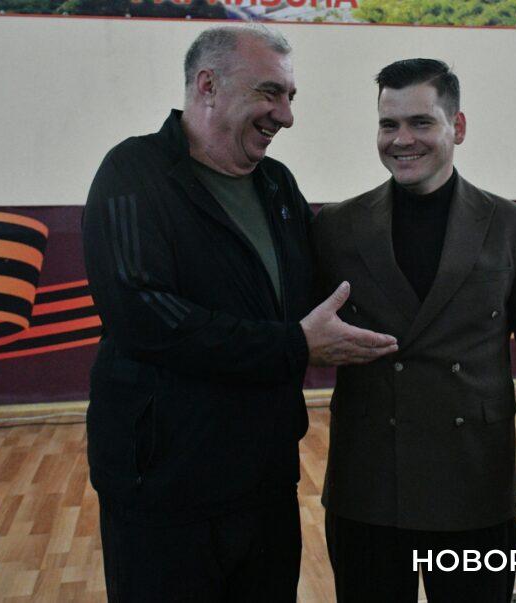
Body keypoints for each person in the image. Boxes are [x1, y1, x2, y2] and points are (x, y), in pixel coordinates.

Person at [81, 24, 397, 601]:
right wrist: (294, 346)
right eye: (270, 93)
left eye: (290, 96)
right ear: (207, 85)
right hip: (163, 491)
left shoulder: (277, 185)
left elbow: (316, 296)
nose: (286, 116)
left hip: (265, 485)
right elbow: (145, 318)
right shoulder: (133, 172)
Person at [312, 59, 516, 602]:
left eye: (421, 122)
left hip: (472, 485)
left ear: (457, 127)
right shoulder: (337, 225)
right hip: (369, 486)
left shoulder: (509, 224)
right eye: (388, 124)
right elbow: (297, 331)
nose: (402, 139)